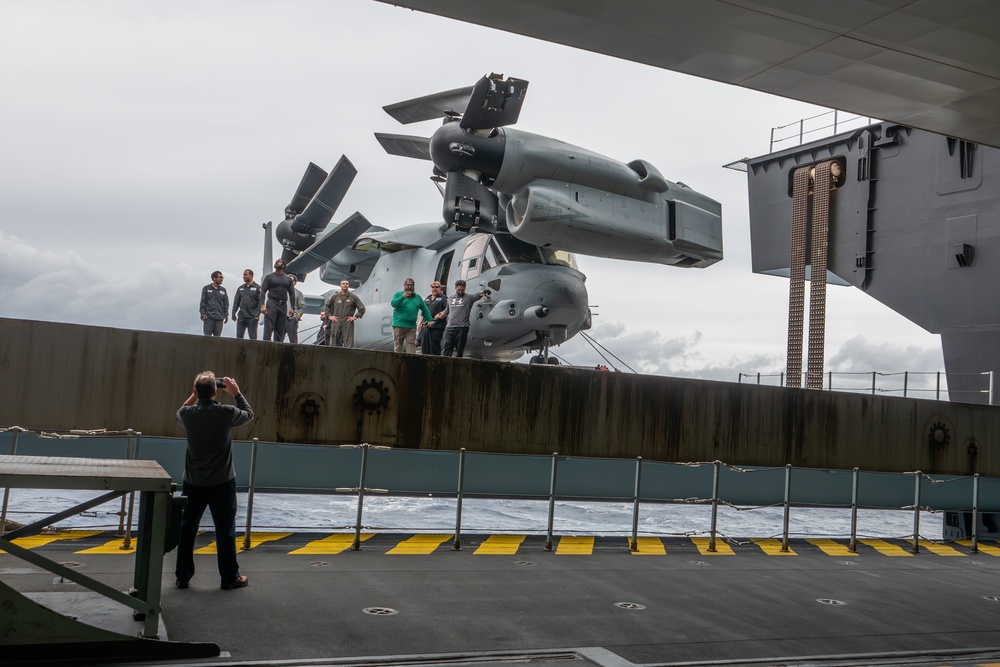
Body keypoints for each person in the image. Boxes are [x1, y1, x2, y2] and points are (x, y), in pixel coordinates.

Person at [175, 371, 253, 590]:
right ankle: (229, 577)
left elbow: (181, 409)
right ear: (215, 391)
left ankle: (183, 576)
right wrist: (236, 392)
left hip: (193, 482)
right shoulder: (226, 412)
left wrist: (194, 395)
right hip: (222, 482)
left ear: (195, 392)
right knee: (224, 529)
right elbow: (249, 414)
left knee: (187, 529)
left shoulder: (187, 415)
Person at [441, 279, 484, 357]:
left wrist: (484, 292)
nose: (460, 292)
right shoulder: (450, 298)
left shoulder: (469, 297)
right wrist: (440, 316)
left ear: (465, 288)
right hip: (450, 327)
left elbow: (478, 294)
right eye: (459, 290)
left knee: (459, 350)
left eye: (462, 290)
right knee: (447, 347)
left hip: (462, 327)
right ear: (455, 288)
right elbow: (447, 310)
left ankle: (457, 366)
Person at [390, 278, 433, 354]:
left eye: (411, 285)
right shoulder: (398, 294)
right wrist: (403, 297)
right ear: (404, 285)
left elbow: (425, 309)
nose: (410, 287)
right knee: (398, 345)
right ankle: (397, 362)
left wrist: (430, 319)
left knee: (411, 345)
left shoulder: (417, 298)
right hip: (399, 325)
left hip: (411, 326)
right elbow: (393, 303)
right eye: (408, 285)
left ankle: (411, 363)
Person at [260, 259, 294, 342]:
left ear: (283, 266)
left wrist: (293, 307)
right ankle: (266, 345)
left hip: (283, 304)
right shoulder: (269, 277)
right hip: (272, 302)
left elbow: (292, 293)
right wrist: (262, 305)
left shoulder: (288, 279)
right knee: (269, 326)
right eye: (276, 261)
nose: (276, 262)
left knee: (280, 327)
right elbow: (263, 291)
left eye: (278, 262)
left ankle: (277, 347)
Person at [325, 279, 366, 348]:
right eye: (343, 283)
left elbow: (362, 309)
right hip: (336, 321)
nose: (345, 285)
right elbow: (327, 306)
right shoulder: (335, 296)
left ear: (348, 285)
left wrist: (355, 317)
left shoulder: (353, 297)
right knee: (334, 341)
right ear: (340, 285)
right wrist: (330, 316)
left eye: (347, 284)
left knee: (348, 342)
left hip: (347, 322)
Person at [419, 281, 448, 355]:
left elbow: (448, 309)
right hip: (425, 326)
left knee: (434, 346)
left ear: (440, 288)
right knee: (424, 348)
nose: (434, 288)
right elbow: (423, 313)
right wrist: (419, 324)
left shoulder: (443, 298)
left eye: (436, 287)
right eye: (433, 287)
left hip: (437, 327)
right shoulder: (427, 299)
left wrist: (440, 315)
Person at [232, 269, 261, 340]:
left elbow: (260, 302)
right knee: (239, 337)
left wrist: (257, 314)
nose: (243, 276)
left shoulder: (257, 288)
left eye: (245, 275)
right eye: (243, 275)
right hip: (242, 316)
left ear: (251, 275)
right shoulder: (241, 288)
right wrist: (234, 312)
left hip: (252, 317)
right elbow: (236, 301)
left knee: (253, 338)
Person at [199, 271, 229, 337]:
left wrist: (226, 315)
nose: (221, 279)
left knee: (217, 338)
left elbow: (226, 304)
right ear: (214, 278)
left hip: (219, 317)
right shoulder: (206, 289)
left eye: (222, 277)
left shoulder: (223, 290)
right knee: (207, 338)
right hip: (209, 317)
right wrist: (203, 313)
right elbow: (203, 302)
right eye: (220, 277)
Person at [285, 275, 306, 344]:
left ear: (294, 282)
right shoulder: (281, 291)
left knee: (293, 339)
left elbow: (302, 306)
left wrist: (298, 317)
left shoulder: (298, 293)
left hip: (292, 319)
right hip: (281, 318)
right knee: (279, 338)